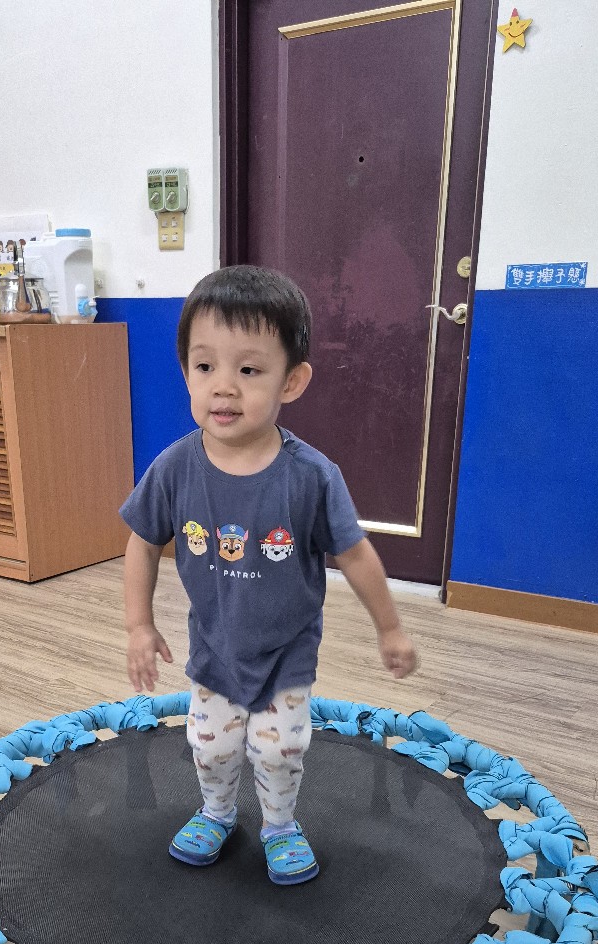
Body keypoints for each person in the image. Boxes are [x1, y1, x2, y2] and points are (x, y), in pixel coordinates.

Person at [120, 265, 418, 886]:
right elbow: (143, 543)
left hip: (286, 649)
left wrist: (389, 629)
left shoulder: (311, 476)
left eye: (250, 370)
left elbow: (355, 554)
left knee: (278, 748)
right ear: (186, 373)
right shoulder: (174, 468)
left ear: (293, 381)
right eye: (205, 367)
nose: (224, 387)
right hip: (214, 644)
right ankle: (217, 812)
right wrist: (138, 626)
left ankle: (280, 825)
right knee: (212, 745)